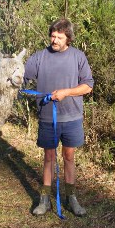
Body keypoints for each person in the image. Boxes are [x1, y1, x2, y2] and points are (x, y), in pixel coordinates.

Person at [24, 18, 94, 217]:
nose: (54, 40)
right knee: (49, 157)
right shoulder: (39, 57)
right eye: (52, 36)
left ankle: (71, 198)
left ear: (68, 38)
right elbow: (22, 76)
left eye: (59, 37)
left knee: (69, 156)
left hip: (71, 117)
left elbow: (88, 86)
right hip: (47, 117)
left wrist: (66, 92)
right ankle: (44, 200)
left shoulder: (78, 57)